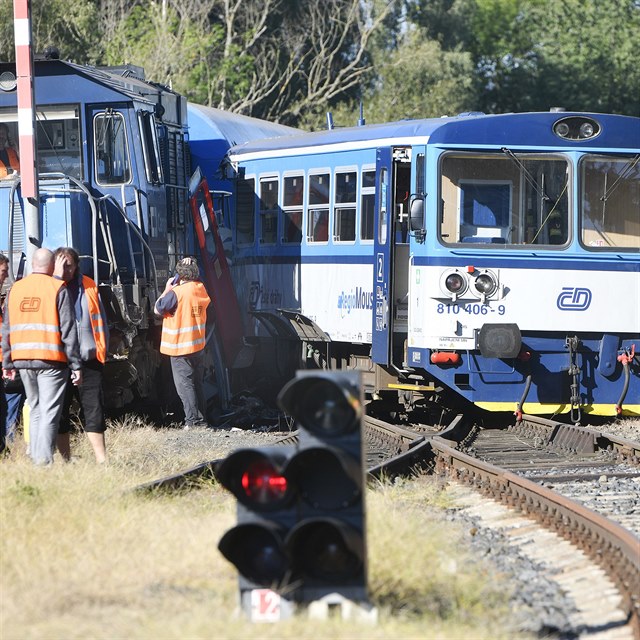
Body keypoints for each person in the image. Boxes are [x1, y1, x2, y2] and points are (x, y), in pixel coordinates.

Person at [2, 248, 82, 464]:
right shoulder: (57, 288)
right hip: (51, 359)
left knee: (35, 407)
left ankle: (37, 458)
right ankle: (44, 462)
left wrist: (8, 361)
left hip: (22, 360)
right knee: (49, 411)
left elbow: (7, 329)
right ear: (51, 266)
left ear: (32, 264)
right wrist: (75, 364)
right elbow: (68, 330)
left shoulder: (15, 289)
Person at [53, 247, 108, 463]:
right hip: (59, 361)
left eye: (69, 265)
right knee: (60, 413)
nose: (65, 270)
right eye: (61, 265)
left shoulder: (89, 285)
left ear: (76, 266)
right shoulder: (51, 287)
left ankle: (102, 460)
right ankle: (65, 460)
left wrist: (101, 350)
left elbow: (100, 318)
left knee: (94, 409)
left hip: (89, 360)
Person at [154, 257, 210, 429]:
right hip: (197, 346)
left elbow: (157, 309)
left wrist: (166, 289)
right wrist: (192, 260)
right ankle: (202, 421)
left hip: (180, 348)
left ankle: (192, 422)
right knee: (197, 384)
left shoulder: (175, 293)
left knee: (185, 386)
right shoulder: (200, 288)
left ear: (179, 274)